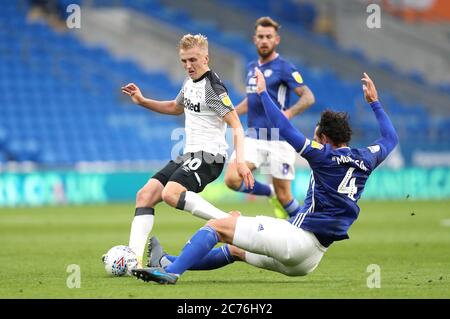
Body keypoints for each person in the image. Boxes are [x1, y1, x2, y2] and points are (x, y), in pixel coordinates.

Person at [131, 70, 399, 284]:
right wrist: (375, 103)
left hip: (297, 241)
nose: (314, 138)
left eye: (316, 135)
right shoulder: (367, 157)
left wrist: (262, 94)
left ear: (324, 139)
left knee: (217, 227)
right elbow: (390, 137)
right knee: (235, 249)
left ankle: (171, 273)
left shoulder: (323, 156)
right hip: (310, 260)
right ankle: (165, 262)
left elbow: (283, 127)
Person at [120, 34, 254, 267]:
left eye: (193, 60)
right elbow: (175, 107)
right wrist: (142, 101)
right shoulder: (189, 82)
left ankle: (229, 222)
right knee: (145, 195)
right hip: (189, 154)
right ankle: (133, 261)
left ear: (206, 58)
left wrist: (240, 161)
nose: (188, 66)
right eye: (184, 61)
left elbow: (236, 124)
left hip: (210, 156)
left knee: (170, 194)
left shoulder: (213, 88)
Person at [224, 17, 315, 219]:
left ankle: (307, 229)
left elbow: (308, 97)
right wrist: (229, 114)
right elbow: (251, 101)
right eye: (261, 37)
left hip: (279, 139)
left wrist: (289, 113)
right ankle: (268, 192)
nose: (264, 40)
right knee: (231, 179)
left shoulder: (285, 68)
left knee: (285, 196)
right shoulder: (251, 68)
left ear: (277, 40)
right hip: (254, 137)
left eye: (269, 37)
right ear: (254, 39)